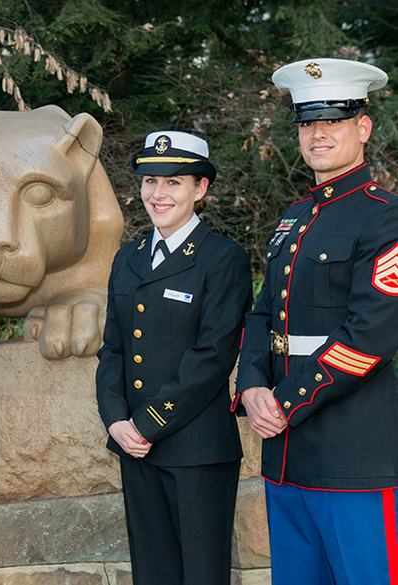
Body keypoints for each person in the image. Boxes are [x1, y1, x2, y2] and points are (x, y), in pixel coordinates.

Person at [234, 58, 398, 585]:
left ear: (363, 128)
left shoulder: (385, 217)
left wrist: (283, 402)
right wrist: (254, 385)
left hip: (354, 455)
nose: (318, 133)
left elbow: (368, 338)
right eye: (307, 122)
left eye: (333, 120)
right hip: (285, 454)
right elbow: (263, 313)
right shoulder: (293, 219)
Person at [96, 131, 252, 585]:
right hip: (134, 446)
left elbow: (213, 355)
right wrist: (115, 420)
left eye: (174, 182)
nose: (157, 194)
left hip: (196, 449)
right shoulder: (128, 258)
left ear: (200, 189)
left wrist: (145, 423)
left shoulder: (223, 258)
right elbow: (113, 348)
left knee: (201, 573)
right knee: (153, 571)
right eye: (149, 182)